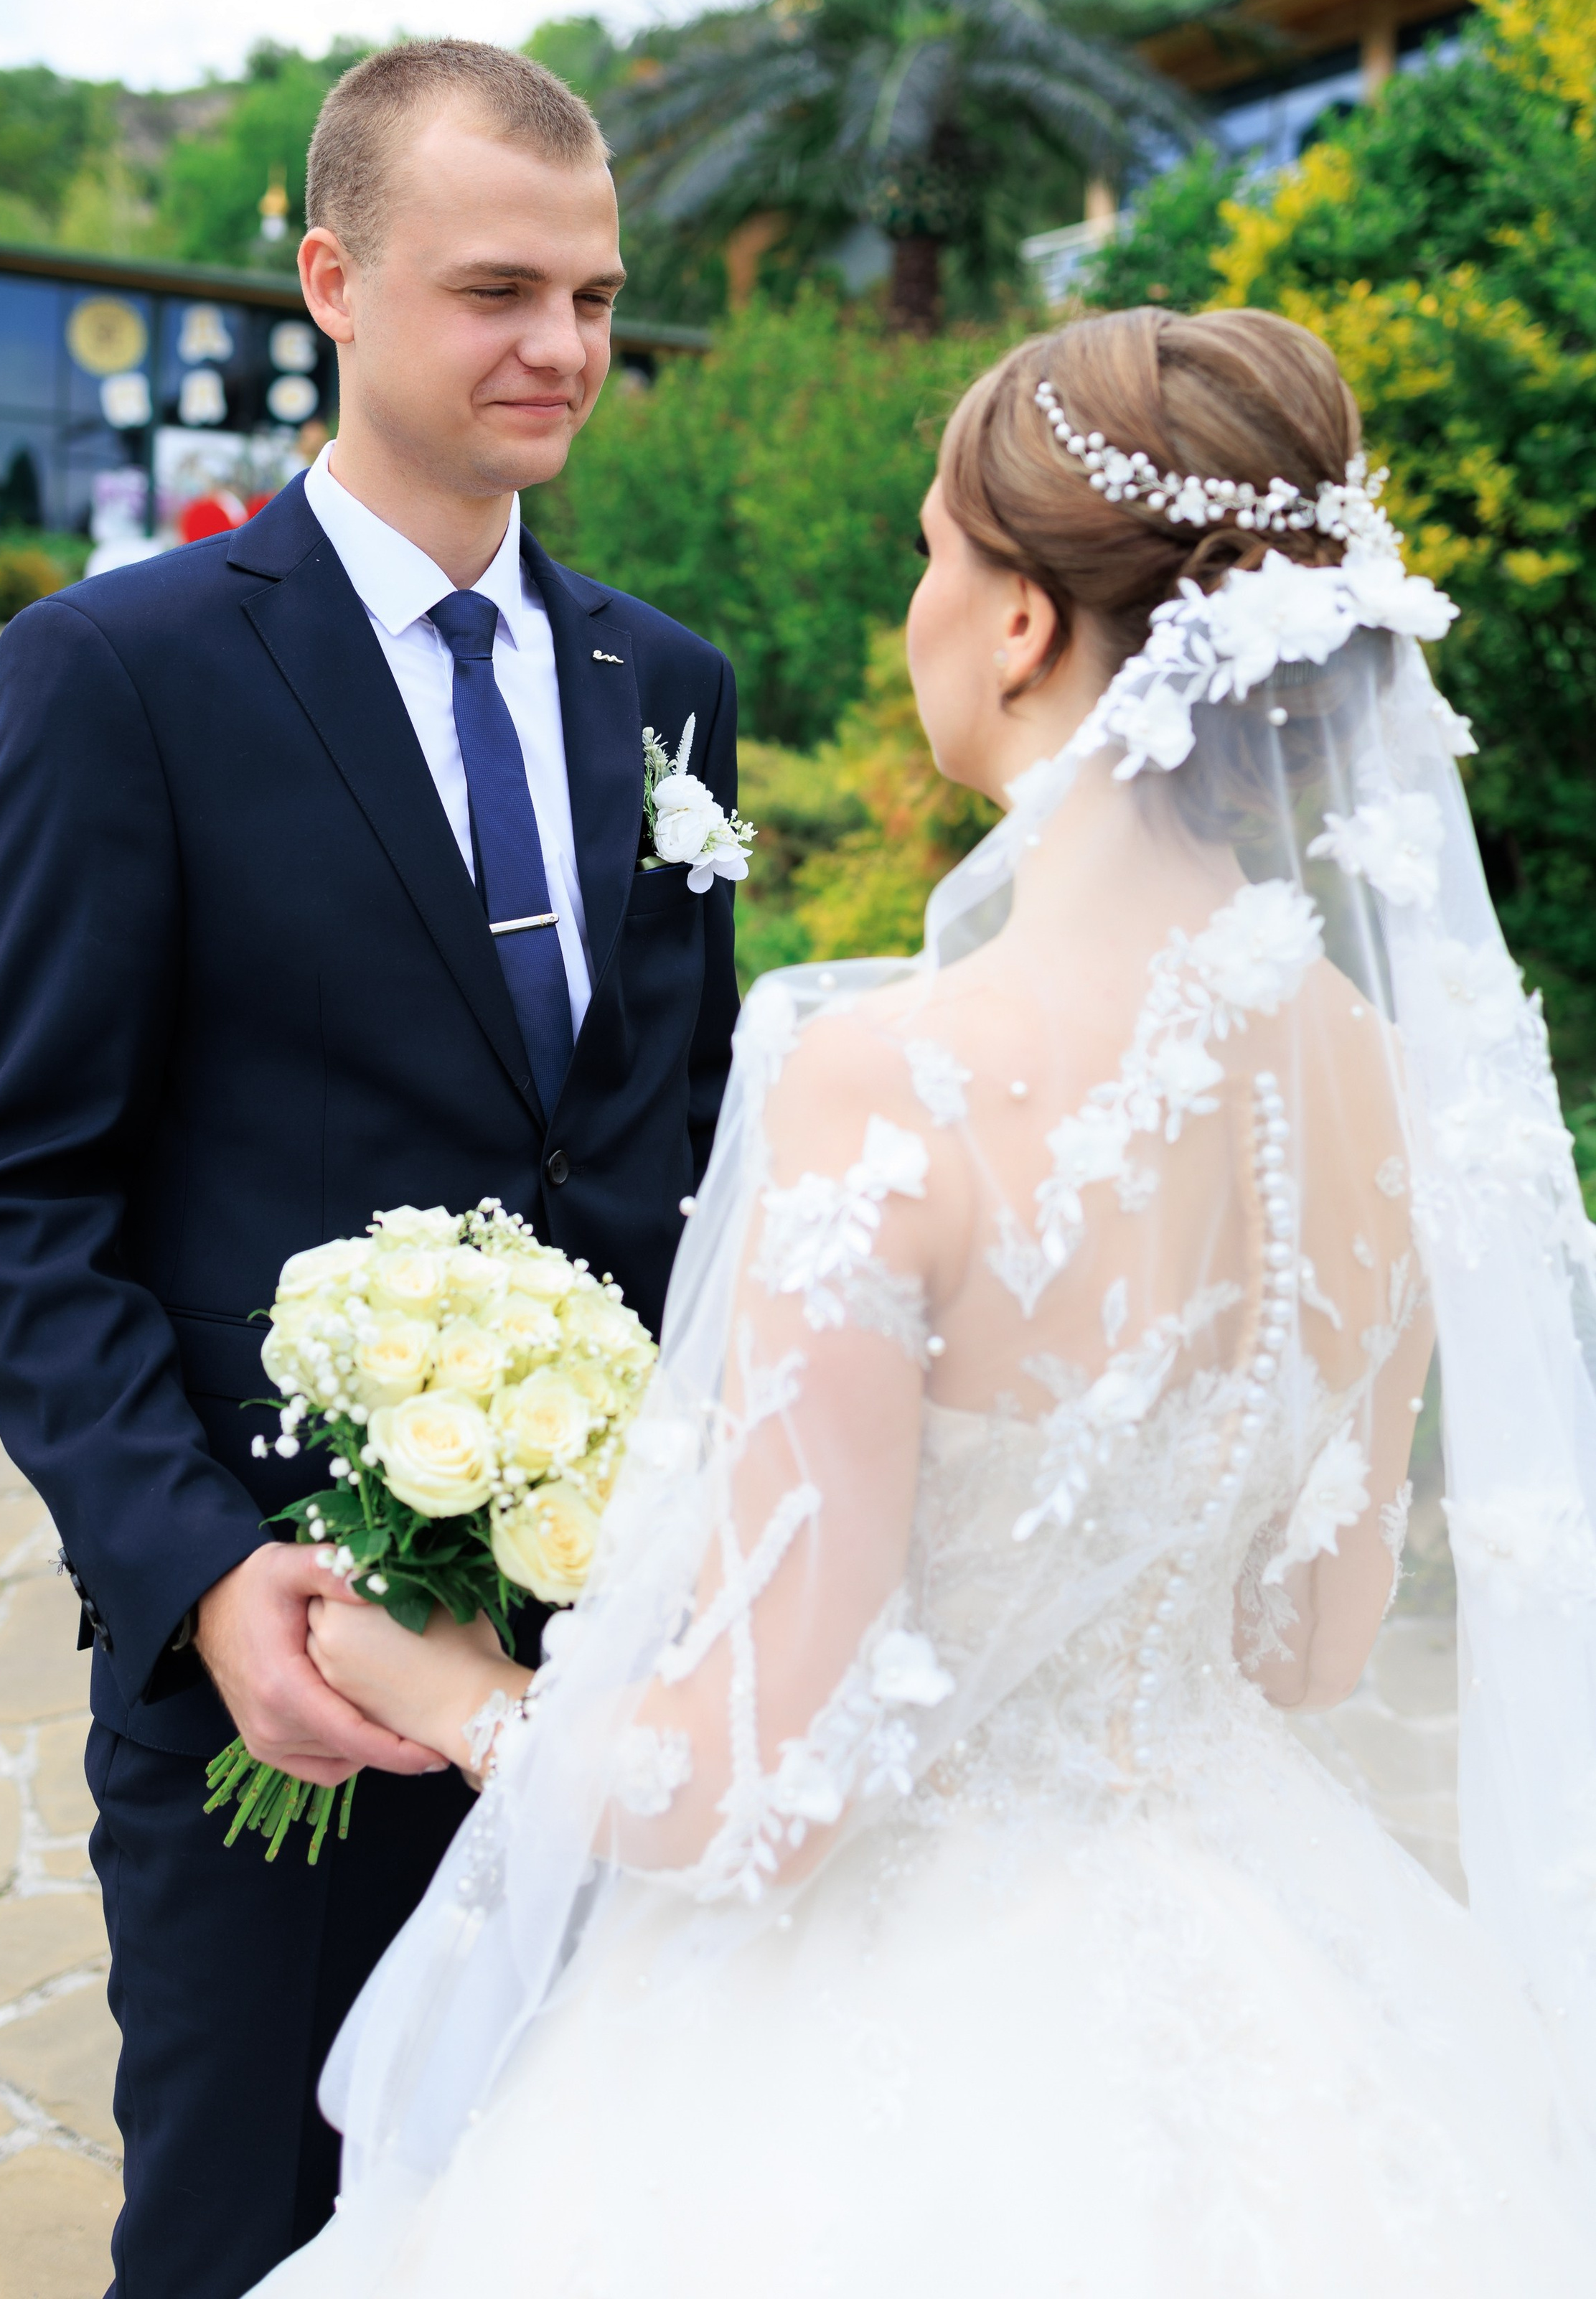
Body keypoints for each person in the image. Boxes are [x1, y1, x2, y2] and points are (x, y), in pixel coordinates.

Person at [248, 306, 1596, 2298]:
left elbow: (759, 1797)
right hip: (1268, 1976)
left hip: (891, 2055)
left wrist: (449, 1689)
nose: (921, 603)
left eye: (928, 548)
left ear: (1028, 624)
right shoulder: (1384, 1091)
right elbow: (1310, 1649)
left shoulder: (893, 1080)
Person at [0, 39, 740, 2299]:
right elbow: (18, 1191)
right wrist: (203, 1574)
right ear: (331, 285)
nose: (562, 346)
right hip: (275, 1679)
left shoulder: (668, 686)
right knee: (244, 2245)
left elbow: (678, 1147)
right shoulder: (123, 673)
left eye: (592, 295)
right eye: (498, 288)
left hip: (611, 1688)